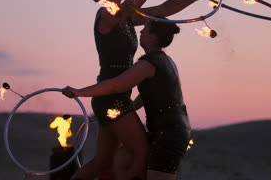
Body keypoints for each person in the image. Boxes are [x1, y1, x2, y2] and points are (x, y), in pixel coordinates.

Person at [71, 0, 211, 180]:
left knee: (102, 162)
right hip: (111, 96)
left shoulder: (127, 18)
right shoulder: (106, 15)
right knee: (141, 152)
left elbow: (164, 9)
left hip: (115, 97)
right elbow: (127, 6)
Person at [63, 19, 191, 180]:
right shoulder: (164, 61)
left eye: (145, 29)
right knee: (121, 159)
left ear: (153, 37)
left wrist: (79, 92)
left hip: (169, 133)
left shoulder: (148, 63)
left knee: (140, 161)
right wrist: (125, 110)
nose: (141, 32)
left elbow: (116, 86)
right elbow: (150, 95)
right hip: (170, 130)